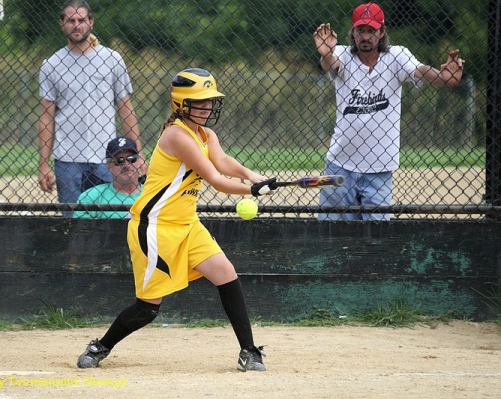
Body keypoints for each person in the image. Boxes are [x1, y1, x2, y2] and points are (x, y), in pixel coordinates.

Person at [76, 68, 277, 372]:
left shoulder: (205, 133)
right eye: (201, 102)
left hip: (186, 223)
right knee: (148, 309)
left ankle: (248, 351)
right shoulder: (177, 136)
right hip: (155, 227)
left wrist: (251, 175)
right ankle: (100, 346)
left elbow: (221, 160)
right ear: (182, 104)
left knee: (226, 273)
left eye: (211, 101)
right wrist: (250, 189)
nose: (208, 107)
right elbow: (215, 178)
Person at [313, 3, 465, 220]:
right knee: (331, 236)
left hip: (379, 169)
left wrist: (442, 78)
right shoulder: (343, 55)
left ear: (382, 32)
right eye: (360, 30)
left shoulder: (397, 56)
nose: (365, 36)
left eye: (371, 31)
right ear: (353, 33)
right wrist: (326, 53)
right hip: (340, 165)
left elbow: (420, 71)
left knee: (377, 241)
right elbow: (330, 64)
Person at [38, 0, 147, 216]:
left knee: (115, 219)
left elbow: (126, 108)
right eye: (71, 20)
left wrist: (139, 153)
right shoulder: (51, 64)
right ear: (62, 24)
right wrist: (43, 164)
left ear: (91, 22)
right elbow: (46, 117)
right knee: (72, 223)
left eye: (81, 20)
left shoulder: (112, 59)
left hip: (108, 158)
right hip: (67, 158)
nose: (76, 25)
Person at [73, 136, 143, 219]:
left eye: (132, 159)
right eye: (119, 161)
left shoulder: (153, 193)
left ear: (139, 161)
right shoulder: (91, 197)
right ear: (109, 165)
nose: (127, 165)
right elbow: (81, 230)